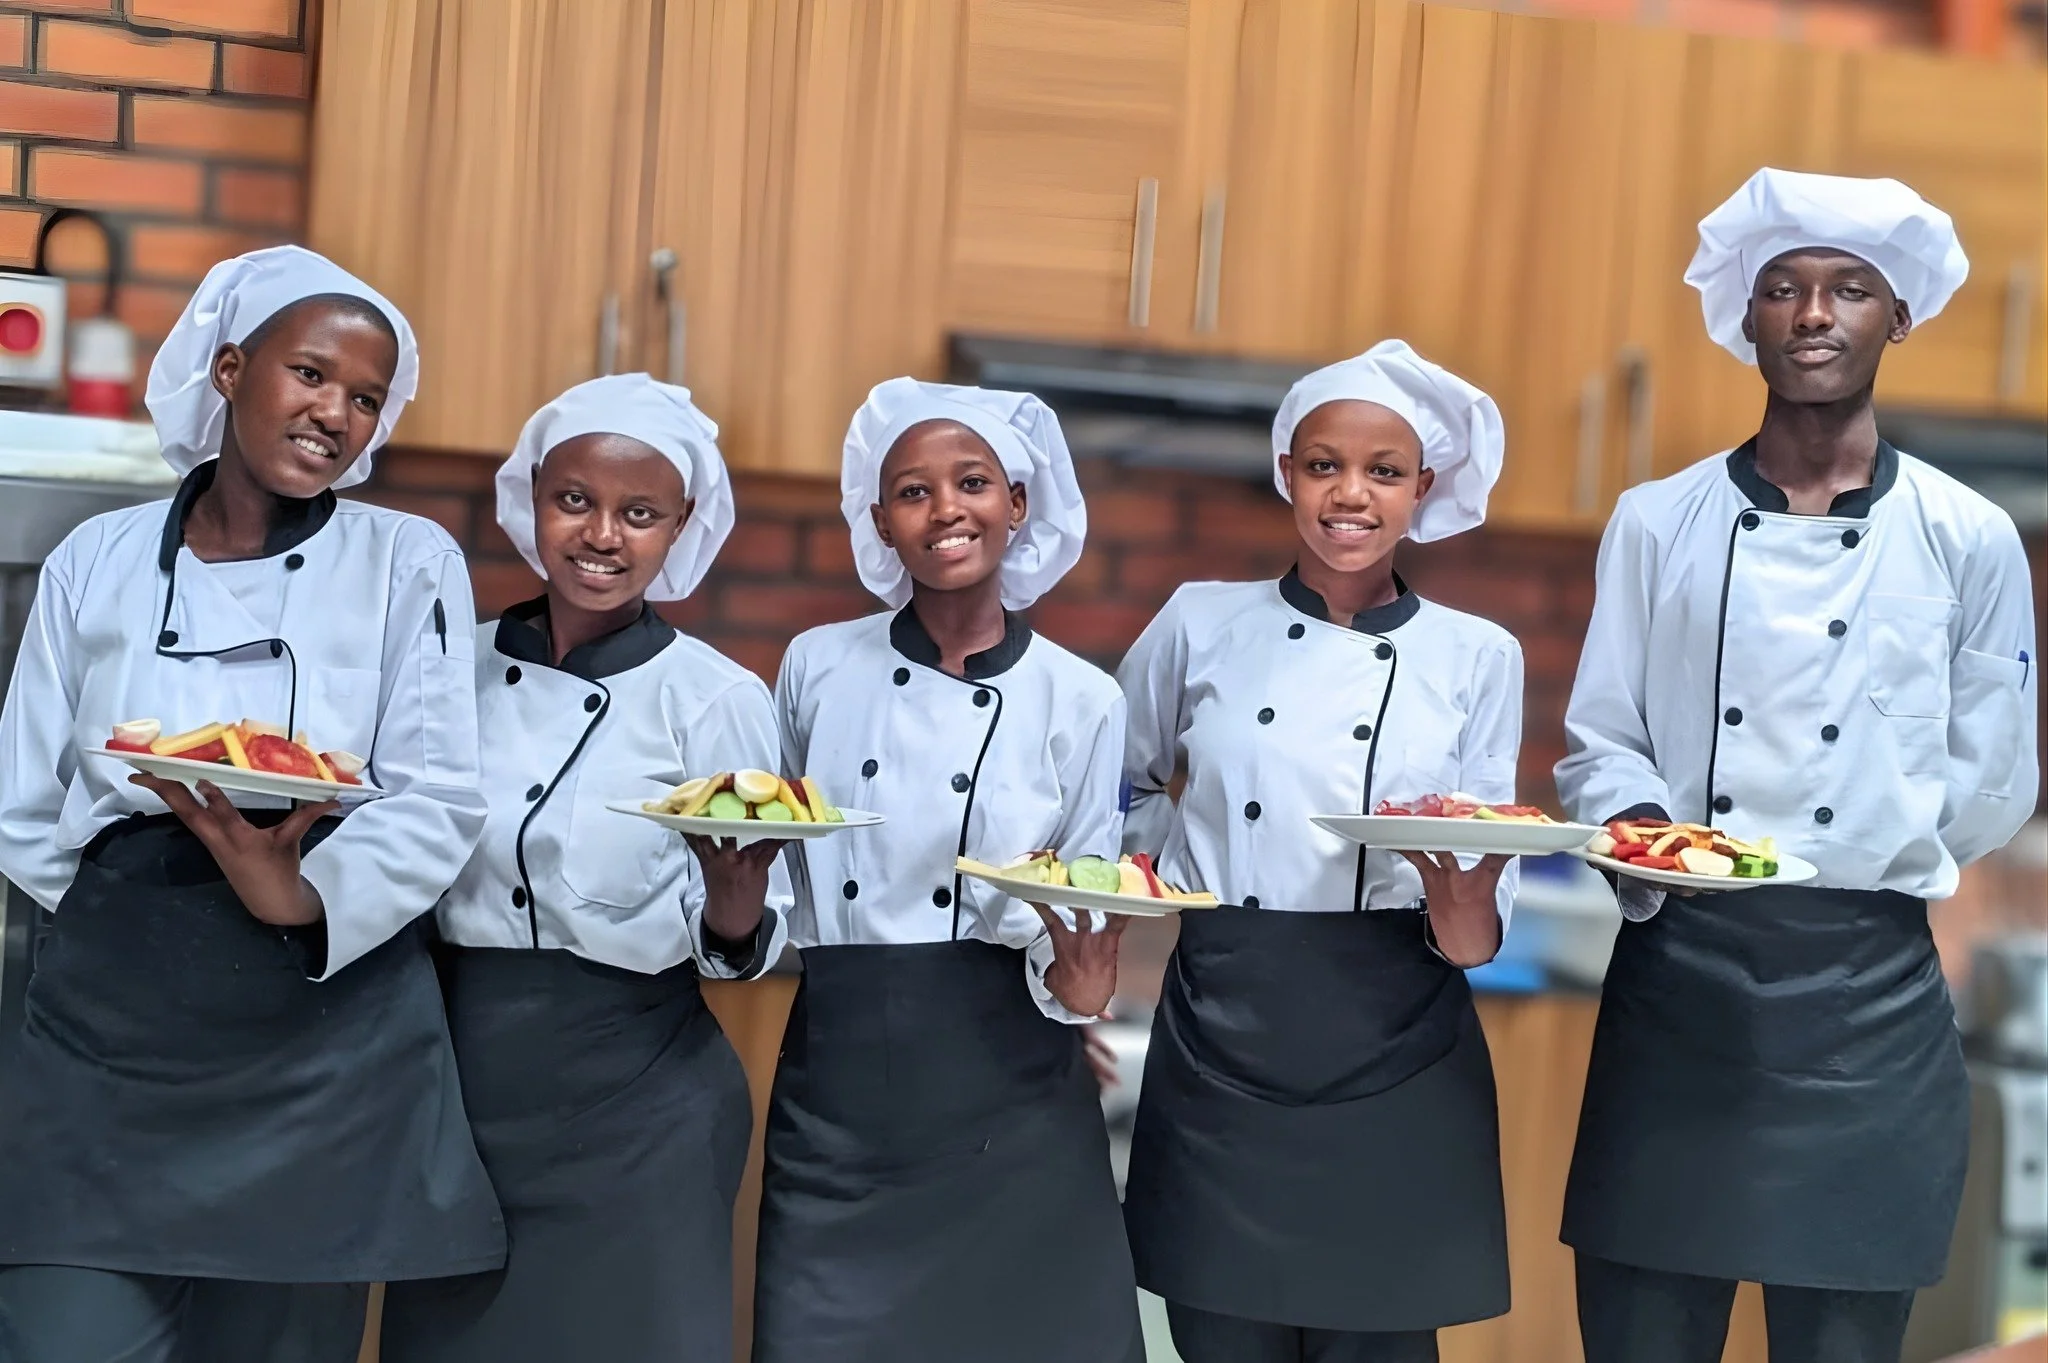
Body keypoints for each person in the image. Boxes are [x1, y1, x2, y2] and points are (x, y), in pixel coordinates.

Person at [1556, 167, 2039, 1363]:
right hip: (1679, 981)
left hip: (1866, 1001)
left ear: (1897, 317)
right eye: (1781, 289)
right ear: (1745, 318)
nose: (1812, 313)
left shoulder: (1965, 536)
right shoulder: (1653, 519)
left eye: (1846, 290)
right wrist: (1644, 838)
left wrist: (1866, 844)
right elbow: (1600, 735)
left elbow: (1992, 776)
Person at [0, 246, 501, 1362]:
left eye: (365, 397)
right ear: (230, 368)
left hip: (318, 1032)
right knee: (60, 1335)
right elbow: (22, 794)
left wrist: (298, 896)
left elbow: (436, 797)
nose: (336, 412)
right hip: (109, 1033)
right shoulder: (100, 557)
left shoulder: (407, 560)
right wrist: (128, 912)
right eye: (311, 374)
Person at [1118, 340, 1521, 1363]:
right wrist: (1176, 863)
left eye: (1383, 472)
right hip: (1224, 1023)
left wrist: (1461, 887)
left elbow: (1475, 925)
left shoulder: (1478, 656)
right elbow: (1110, 786)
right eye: (1323, 465)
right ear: (1284, 472)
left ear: (1421, 489)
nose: (1350, 494)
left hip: (1397, 1032)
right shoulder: (1197, 622)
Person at [378, 374, 791, 1363]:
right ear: (529, 500)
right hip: (455, 1088)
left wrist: (735, 907)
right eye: (575, 501)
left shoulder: (715, 698)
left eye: (638, 513)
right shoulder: (449, 669)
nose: (602, 534)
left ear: (679, 528)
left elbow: (737, 947)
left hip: (639, 1100)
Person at [751, 377, 1144, 1363]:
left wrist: (1083, 989)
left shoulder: (1082, 699)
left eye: (970, 482)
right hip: (841, 1079)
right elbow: (774, 866)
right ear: (878, 520)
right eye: (911, 491)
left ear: (1017, 502)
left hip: (1011, 1091)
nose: (944, 510)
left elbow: (1080, 906)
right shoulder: (816, 667)